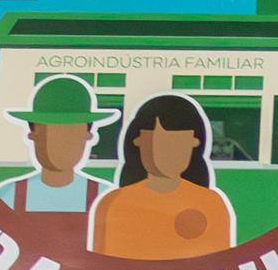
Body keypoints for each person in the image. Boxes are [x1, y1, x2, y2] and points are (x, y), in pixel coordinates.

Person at [87, 93, 236, 261]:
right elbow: (101, 266)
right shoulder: (114, 203)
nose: (163, 152)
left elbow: (218, 266)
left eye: (176, 142)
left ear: (194, 143)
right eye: (156, 141)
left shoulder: (210, 203)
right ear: (138, 142)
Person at [10, 75, 105, 218]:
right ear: (32, 135)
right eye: (51, 131)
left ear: (87, 136)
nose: (61, 141)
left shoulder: (104, 197)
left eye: (72, 132)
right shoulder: (9, 195)